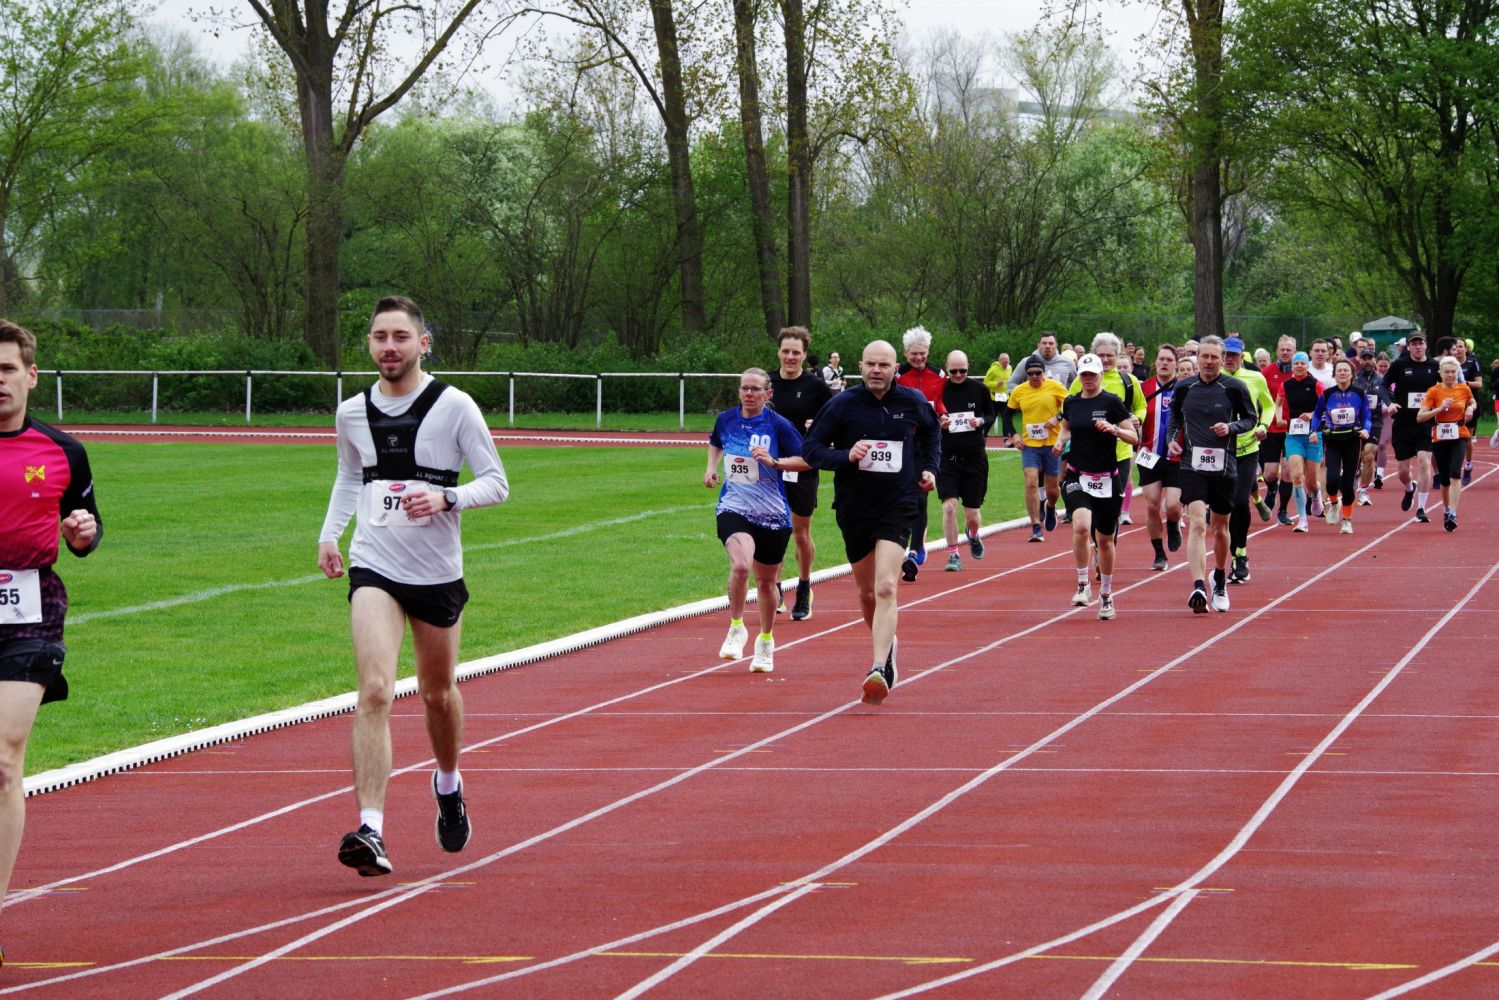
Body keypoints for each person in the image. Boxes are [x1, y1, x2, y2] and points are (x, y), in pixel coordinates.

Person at [318, 296, 510, 877]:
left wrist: (448, 496)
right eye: (380, 337)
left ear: (423, 343)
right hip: (374, 565)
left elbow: (496, 482)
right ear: (369, 344)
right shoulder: (352, 412)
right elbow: (350, 474)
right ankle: (371, 829)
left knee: (437, 693)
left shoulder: (454, 406)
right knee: (375, 689)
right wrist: (330, 534)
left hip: (436, 574)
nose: (389, 347)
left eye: (400, 336)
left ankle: (448, 784)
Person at [0, 320, 102, 959]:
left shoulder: (63, 450)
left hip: (31, 610)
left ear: (31, 376)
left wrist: (82, 534)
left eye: (7, 370)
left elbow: (88, 529)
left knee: (4, 762)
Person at [803, 341, 939, 705]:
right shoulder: (842, 404)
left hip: (899, 504)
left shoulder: (912, 402)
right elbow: (811, 450)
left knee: (886, 587)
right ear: (860, 366)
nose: (877, 370)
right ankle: (888, 646)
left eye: (884, 365)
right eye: (871, 364)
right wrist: (845, 455)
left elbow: (932, 433)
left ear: (895, 368)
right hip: (854, 507)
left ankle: (878, 667)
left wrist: (929, 468)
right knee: (866, 594)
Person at [706, 368, 808, 671]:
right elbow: (716, 441)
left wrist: (774, 462)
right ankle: (736, 626)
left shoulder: (779, 425)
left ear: (768, 393)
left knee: (766, 582)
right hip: (734, 506)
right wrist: (711, 467)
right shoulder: (726, 419)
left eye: (755, 389)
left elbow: (805, 460)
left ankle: (765, 641)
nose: (748, 394)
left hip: (772, 514)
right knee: (740, 566)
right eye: (744, 388)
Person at [1166, 336, 1257, 613]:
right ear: (1197, 359)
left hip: (1224, 466)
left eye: (1214, 357)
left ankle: (1219, 577)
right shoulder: (1184, 387)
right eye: (1204, 356)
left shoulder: (1234, 388)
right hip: (1191, 464)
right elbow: (1175, 419)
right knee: (1197, 523)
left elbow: (1251, 419)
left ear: (1222, 359)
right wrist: (1171, 440)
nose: (1208, 361)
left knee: (1220, 529)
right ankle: (1198, 586)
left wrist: (1230, 428)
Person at [1054, 354, 1138, 621]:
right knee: (1080, 526)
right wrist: (1060, 441)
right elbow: (1066, 428)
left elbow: (1133, 436)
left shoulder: (1111, 402)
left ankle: (1106, 594)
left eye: (1092, 374)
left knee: (1104, 540)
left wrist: (1114, 430)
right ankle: (1082, 583)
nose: (1088, 379)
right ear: (1079, 376)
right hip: (1077, 476)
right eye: (1084, 374)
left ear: (1101, 375)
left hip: (1107, 479)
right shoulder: (1072, 402)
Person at [768, 327, 835, 620]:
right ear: (778, 352)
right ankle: (775, 587)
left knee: (799, 532)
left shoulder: (816, 386)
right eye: (786, 351)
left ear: (804, 355)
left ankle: (804, 585)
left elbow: (835, 420)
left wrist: (818, 426)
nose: (790, 357)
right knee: (772, 530)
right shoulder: (767, 382)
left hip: (802, 466)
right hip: (769, 466)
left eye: (796, 352)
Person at [1066, 333, 1144, 527]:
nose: (1106, 359)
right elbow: (1069, 410)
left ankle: (1106, 540)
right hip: (1088, 454)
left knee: (1109, 513)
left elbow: (1141, 406)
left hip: (1120, 452)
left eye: (1110, 355)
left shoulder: (1128, 381)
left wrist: (1137, 418)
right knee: (1087, 510)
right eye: (1101, 355)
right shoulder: (1080, 381)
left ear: (1118, 356)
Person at [1220, 337, 1274, 582]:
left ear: (1242, 356)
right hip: (1220, 451)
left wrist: (1263, 425)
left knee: (1240, 502)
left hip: (1248, 448)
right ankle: (1229, 555)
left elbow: (1269, 406)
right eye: (1225, 354)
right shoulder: (1212, 378)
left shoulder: (1255, 378)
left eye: (1233, 355)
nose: (1229, 359)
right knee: (1223, 507)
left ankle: (1239, 554)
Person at [895, 326, 946, 581]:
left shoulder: (939, 375)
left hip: (926, 441)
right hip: (902, 441)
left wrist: (943, 415)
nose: (918, 358)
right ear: (905, 353)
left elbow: (940, 402)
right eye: (914, 354)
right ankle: (898, 543)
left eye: (922, 353)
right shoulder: (897, 376)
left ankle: (915, 548)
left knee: (921, 495)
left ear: (928, 352)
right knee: (900, 497)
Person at [937, 350, 995, 570]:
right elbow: (928, 417)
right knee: (949, 507)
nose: (959, 375)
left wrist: (980, 421)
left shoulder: (979, 389)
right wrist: (939, 422)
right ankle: (953, 554)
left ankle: (973, 534)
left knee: (972, 515)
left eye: (963, 370)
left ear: (968, 367)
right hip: (947, 458)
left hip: (974, 459)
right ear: (947, 368)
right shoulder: (940, 389)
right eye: (954, 371)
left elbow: (991, 415)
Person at [1383, 330, 1441, 522]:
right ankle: (1409, 488)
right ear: (1408, 347)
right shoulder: (1400, 365)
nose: (1417, 347)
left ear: (1426, 345)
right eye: (1414, 344)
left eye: (1420, 343)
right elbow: (1383, 386)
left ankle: (1421, 508)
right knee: (1402, 470)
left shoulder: (1434, 366)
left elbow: (1444, 388)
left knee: (1424, 462)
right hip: (1403, 422)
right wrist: (1390, 402)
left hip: (1426, 422)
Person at [1009, 358, 1068, 541]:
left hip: (1052, 444)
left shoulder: (1055, 387)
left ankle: (1050, 507)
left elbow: (1073, 405)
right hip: (1030, 445)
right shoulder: (1019, 391)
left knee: (1052, 488)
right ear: (1026, 375)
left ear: (1044, 372)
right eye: (1030, 373)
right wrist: (1014, 435)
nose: (1034, 376)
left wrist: (1058, 418)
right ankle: (1035, 526)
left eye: (1038, 373)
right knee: (1031, 482)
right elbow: (1007, 415)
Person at [1417, 356, 1477, 531]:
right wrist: (1439, 408)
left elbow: (1472, 400)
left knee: (1455, 473)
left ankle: (1452, 513)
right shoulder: (1433, 391)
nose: (1450, 375)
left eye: (1453, 372)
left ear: (1457, 373)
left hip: (1459, 434)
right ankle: (1446, 509)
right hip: (1440, 436)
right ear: (1440, 373)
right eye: (1447, 372)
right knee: (1444, 479)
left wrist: (1470, 408)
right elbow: (1420, 417)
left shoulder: (1463, 388)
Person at [1312, 357, 1371, 534]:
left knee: (1347, 483)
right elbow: (1317, 415)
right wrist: (1314, 431)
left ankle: (1346, 520)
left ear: (1352, 374)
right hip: (1333, 441)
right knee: (1331, 480)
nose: (1342, 373)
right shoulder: (1327, 394)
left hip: (1352, 441)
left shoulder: (1360, 394)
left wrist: (1366, 430)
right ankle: (1333, 503)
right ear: (1335, 374)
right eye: (1339, 370)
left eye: (1346, 370)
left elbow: (1367, 416)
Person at [1138, 344, 1184, 570]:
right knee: (1152, 505)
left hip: (1177, 457)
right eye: (1161, 359)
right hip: (1150, 455)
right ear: (1155, 362)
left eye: (1169, 360)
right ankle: (1159, 553)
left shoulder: (1185, 388)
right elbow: (1132, 415)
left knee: (1173, 505)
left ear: (1176, 364)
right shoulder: (1142, 388)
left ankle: (1174, 523)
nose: (1164, 363)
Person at [1276, 351, 1325, 532]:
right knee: (1296, 476)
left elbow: (1325, 406)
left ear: (1307, 365)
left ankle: (1316, 494)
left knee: (1311, 482)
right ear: (1292, 366)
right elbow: (1278, 404)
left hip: (1313, 435)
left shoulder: (1316, 384)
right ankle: (1302, 520)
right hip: (1293, 435)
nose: (1299, 366)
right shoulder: (1286, 384)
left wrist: (1312, 414)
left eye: (1302, 363)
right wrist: (1279, 418)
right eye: (1296, 363)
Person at [1260, 335, 1297, 523]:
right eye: (1282, 349)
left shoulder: (1300, 373)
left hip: (1292, 429)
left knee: (1288, 471)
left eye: (1289, 350)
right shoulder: (1266, 372)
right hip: (1271, 428)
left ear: (1294, 352)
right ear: (1276, 351)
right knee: (1270, 473)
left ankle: (1283, 511)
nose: (1285, 352)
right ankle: (1272, 488)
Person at [1352, 350, 1392, 505]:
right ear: (1359, 360)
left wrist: (1391, 404)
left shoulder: (1382, 380)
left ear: (1374, 360)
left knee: (1369, 456)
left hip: (1375, 422)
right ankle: (1355, 474)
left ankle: (1363, 492)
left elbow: (1390, 397)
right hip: (1355, 423)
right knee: (1356, 457)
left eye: (1370, 358)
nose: (1368, 361)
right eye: (1365, 358)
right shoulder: (1354, 379)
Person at [1007, 331, 1078, 392]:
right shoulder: (1026, 362)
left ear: (1056, 345)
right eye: (1044, 343)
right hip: (1033, 403)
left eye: (1051, 343)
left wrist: (1068, 397)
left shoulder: (1067, 363)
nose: (1047, 346)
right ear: (1038, 345)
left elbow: (1076, 385)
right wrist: (1027, 394)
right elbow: (1010, 384)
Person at [981, 352, 1015, 442]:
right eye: (1004, 362)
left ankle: (1006, 439)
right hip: (994, 397)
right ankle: (983, 434)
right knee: (992, 418)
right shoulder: (993, 369)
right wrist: (996, 384)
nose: (1006, 364)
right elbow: (985, 383)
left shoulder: (1010, 368)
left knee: (1006, 417)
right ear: (999, 361)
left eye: (1007, 362)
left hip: (1005, 397)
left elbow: (1009, 381)